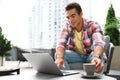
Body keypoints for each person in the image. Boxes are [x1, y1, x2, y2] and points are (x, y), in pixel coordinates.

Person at [55, 2, 106, 73]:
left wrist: (96, 56)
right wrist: (59, 57)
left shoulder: (92, 25)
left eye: (73, 16)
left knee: (101, 56)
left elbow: (98, 42)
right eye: (68, 17)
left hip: (90, 54)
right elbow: (61, 43)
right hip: (76, 55)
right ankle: (67, 78)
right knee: (60, 55)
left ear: (81, 14)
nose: (70, 20)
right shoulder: (67, 26)